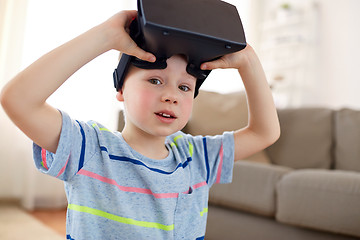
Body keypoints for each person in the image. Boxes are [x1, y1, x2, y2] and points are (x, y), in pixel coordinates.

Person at [0, 10, 280, 240]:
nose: (171, 95)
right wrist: (105, 37)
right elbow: (18, 99)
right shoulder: (88, 149)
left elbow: (265, 132)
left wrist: (248, 61)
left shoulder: (196, 158)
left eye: (184, 87)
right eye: (155, 80)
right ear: (121, 89)